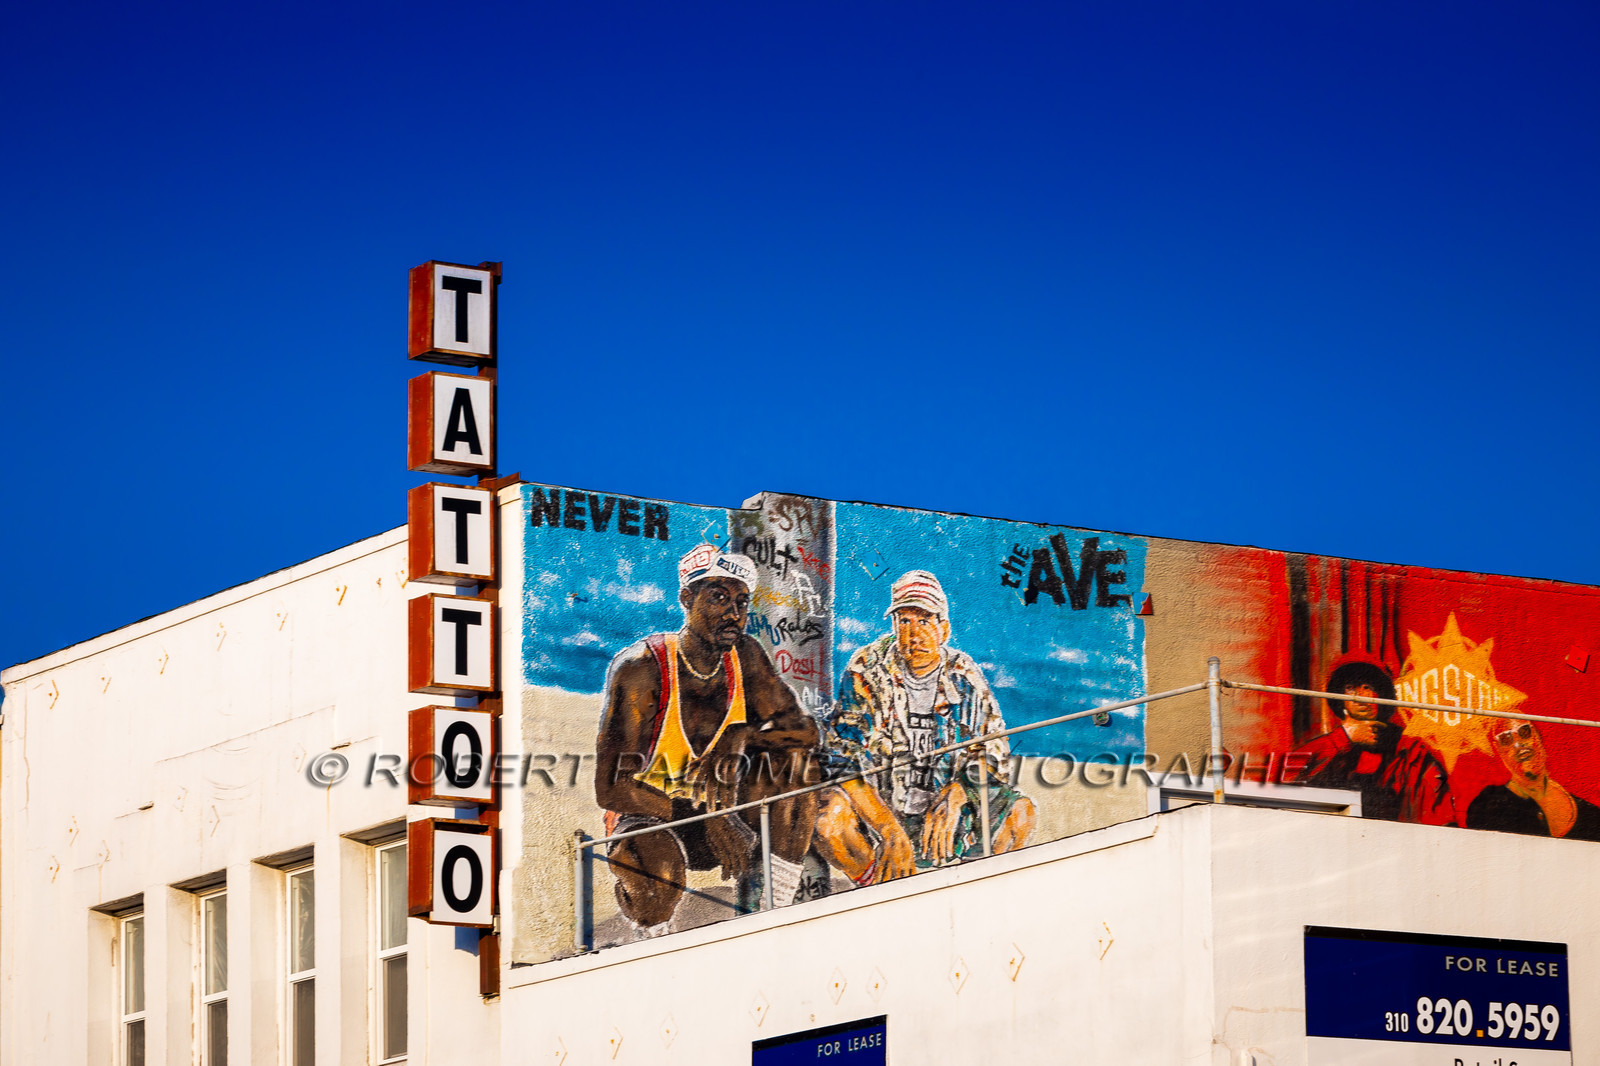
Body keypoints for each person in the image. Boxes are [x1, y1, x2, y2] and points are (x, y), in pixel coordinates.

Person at [594, 544, 820, 935]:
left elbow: (804, 731)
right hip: (653, 813)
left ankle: (770, 917)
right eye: (718, 597)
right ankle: (651, 937)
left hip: (726, 809)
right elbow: (611, 787)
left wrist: (738, 735)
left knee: (798, 774)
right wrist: (707, 816)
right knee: (654, 879)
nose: (734, 613)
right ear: (686, 598)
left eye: (741, 602)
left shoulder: (745, 655)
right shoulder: (642, 669)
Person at [814, 570, 1035, 884]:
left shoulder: (963, 673)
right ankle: (882, 888)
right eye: (904, 621)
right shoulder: (866, 667)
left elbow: (993, 752)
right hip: (883, 807)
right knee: (827, 819)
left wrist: (957, 795)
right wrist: (888, 828)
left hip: (947, 815)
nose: (913, 634)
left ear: (943, 629)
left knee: (1021, 813)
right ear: (893, 625)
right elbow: (840, 759)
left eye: (924, 621)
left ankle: (975, 888)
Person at [1286, 656, 1456, 825]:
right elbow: (1283, 783)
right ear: (1340, 698)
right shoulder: (1328, 747)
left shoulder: (1411, 752)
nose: (1359, 696)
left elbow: (1439, 815)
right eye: (1350, 688)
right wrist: (1345, 738)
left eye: (1367, 687)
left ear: (1381, 695)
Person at [1466, 717, 1600, 841]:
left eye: (1524, 732)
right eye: (1506, 739)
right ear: (1498, 749)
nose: (1518, 744)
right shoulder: (1488, 806)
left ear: (1538, 736)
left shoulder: (1590, 813)